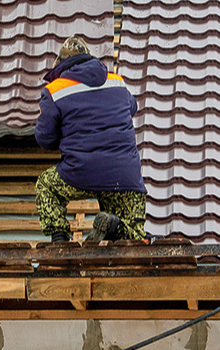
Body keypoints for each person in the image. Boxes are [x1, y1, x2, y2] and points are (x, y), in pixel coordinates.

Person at [34, 37, 147, 243]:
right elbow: (132, 107)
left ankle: (59, 238)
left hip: (81, 172)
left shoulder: (55, 90)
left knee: (46, 186)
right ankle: (116, 226)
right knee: (134, 234)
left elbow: (45, 139)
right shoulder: (116, 82)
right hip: (125, 176)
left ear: (61, 65)